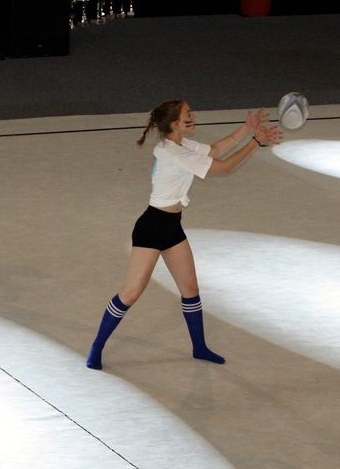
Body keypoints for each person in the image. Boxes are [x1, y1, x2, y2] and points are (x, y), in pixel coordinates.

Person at [85, 100, 282, 369]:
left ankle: (199, 347)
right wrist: (256, 142)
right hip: (151, 227)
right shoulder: (174, 153)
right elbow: (224, 167)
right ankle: (96, 347)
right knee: (130, 294)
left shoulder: (182, 145)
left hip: (172, 226)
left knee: (190, 290)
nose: (193, 116)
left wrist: (246, 129)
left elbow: (214, 150)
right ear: (175, 123)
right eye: (187, 113)